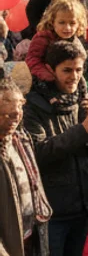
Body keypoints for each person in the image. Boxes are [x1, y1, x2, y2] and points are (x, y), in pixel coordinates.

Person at [24, 41, 88, 256]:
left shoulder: (80, 99)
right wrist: (85, 128)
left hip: (83, 205)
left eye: (79, 70)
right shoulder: (32, 105)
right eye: (67, 70)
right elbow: (38, 153)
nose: (74, 76)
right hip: (54, 211)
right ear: (49, 70)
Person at [0, 76, 53, 256]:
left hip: (32, 233)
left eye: (18, 111)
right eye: (6, 114)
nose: (14, 119)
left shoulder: (21, 138)